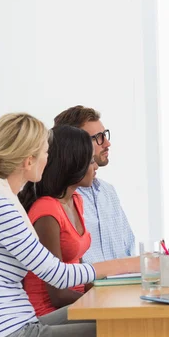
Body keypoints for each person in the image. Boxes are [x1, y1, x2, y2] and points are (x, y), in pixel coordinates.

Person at [0, 113, 138, 337]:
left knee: (119, 321)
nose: (48, 159)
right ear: (28, 161)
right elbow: (58, 276)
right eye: (45, 152)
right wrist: (130, 265)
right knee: (124, 334)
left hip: (19, 326)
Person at [19, 125, 140, 316]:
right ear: (73, 164)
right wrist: (102, 302)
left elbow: (82, 275)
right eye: (90, 161)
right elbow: (57, 294)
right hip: (50, 312)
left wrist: (116, 293)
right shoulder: (47, 211)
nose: (95, 166)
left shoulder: (76, 201)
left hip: (75, 303)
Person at [54, 106, 136, 263]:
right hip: (85, 286)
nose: (107, 143)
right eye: (98, 137)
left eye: (104, 135)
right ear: (74, 145)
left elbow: (128, 250)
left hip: (123, 284)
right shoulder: (62, 197)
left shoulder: (108, 192)